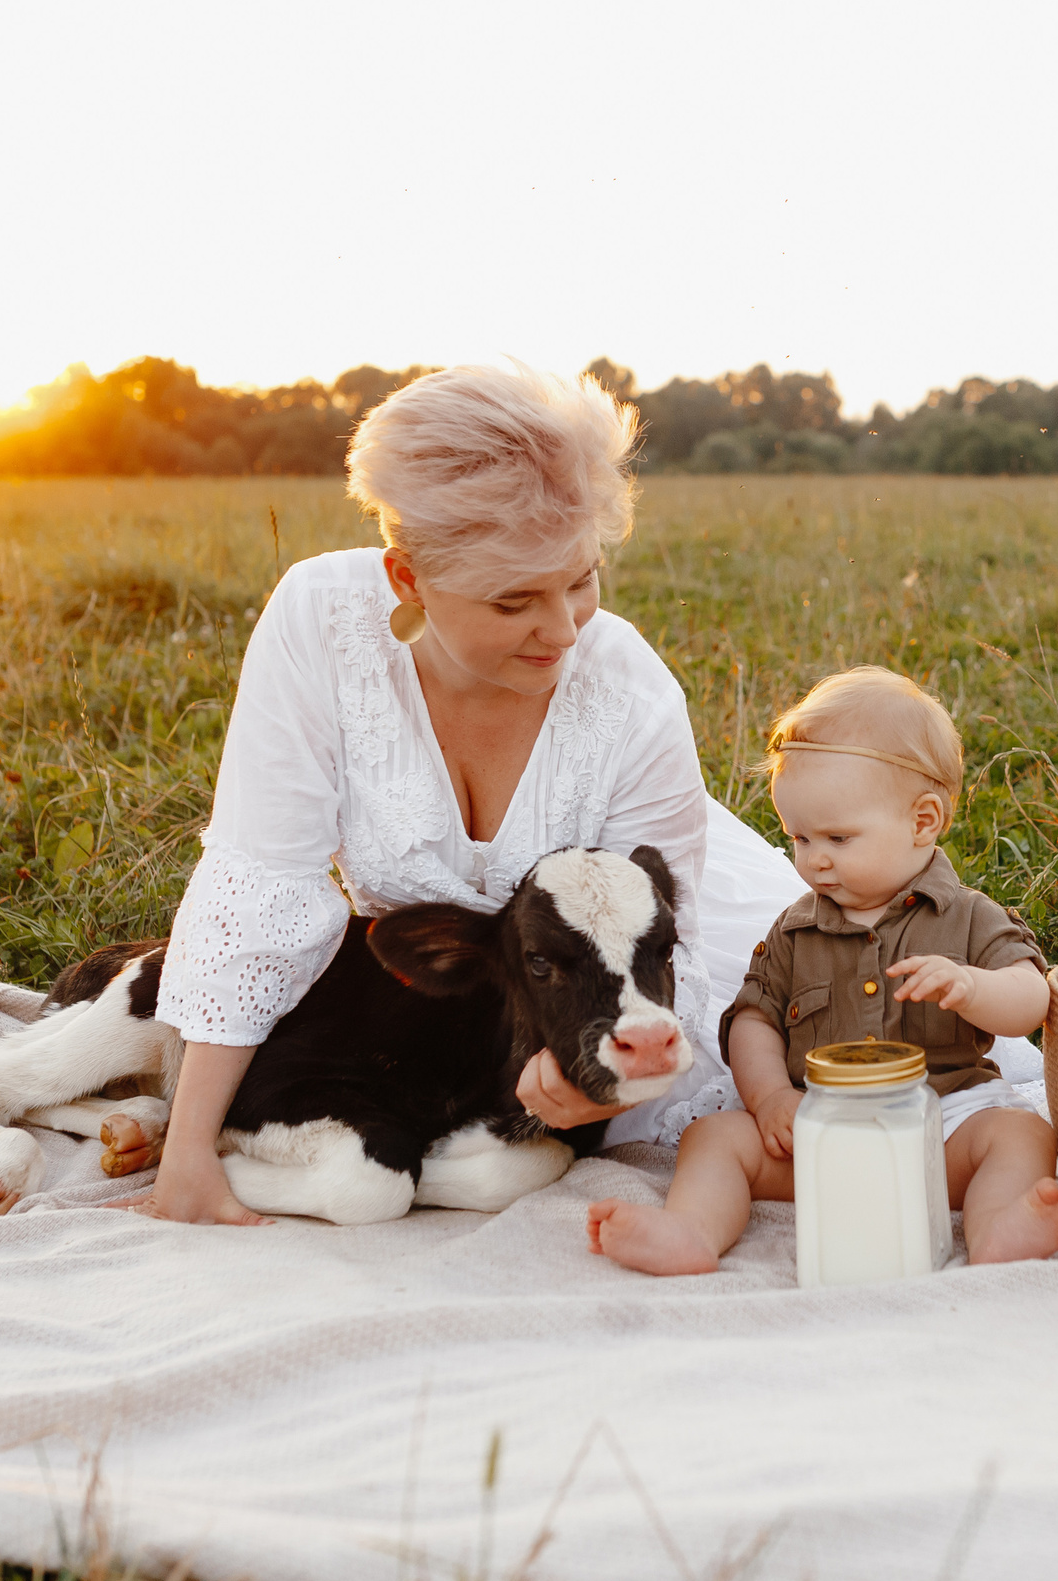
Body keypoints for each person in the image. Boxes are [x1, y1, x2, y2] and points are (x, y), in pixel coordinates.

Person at [111, 364, 783, 1224]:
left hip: (661, 956)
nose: (565, 628)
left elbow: (653, 949)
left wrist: (597, 1093)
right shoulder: (321, 624)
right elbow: (263, 884)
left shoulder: (631, 695)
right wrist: (190, 1147)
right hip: (444, 1003)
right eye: (514, 601)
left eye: (581, 578)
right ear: (407, 580)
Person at [586, 667, 1058, 1274]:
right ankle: (690, 1230)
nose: (814, 860)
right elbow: (753, 1019)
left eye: (838, 838)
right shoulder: (796, 930)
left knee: (1021, 1136)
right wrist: (770, 1098)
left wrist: (973, 986)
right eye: (798, 837)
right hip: (819, 1133)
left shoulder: (969, 917)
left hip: (942, 1127)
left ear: (923, 821)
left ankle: (999, 1228)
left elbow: (1032, 998)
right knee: (714, 1138)